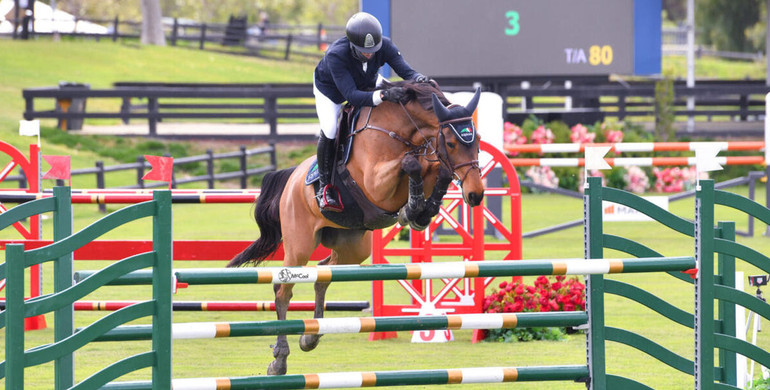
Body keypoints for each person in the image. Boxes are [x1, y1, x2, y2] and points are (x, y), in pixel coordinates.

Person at [313, 11, 428, 212]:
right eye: (364, 51)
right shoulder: (336, 55)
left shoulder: (384, 45)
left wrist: (419, 79)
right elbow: (352, 96)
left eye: (372, 50)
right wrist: (383, 96)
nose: (369, 54)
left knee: (398, 104)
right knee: (330, 129)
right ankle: (324, 187)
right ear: (351, 44)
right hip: (330, 92)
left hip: (366, 82)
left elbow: (406, 71)